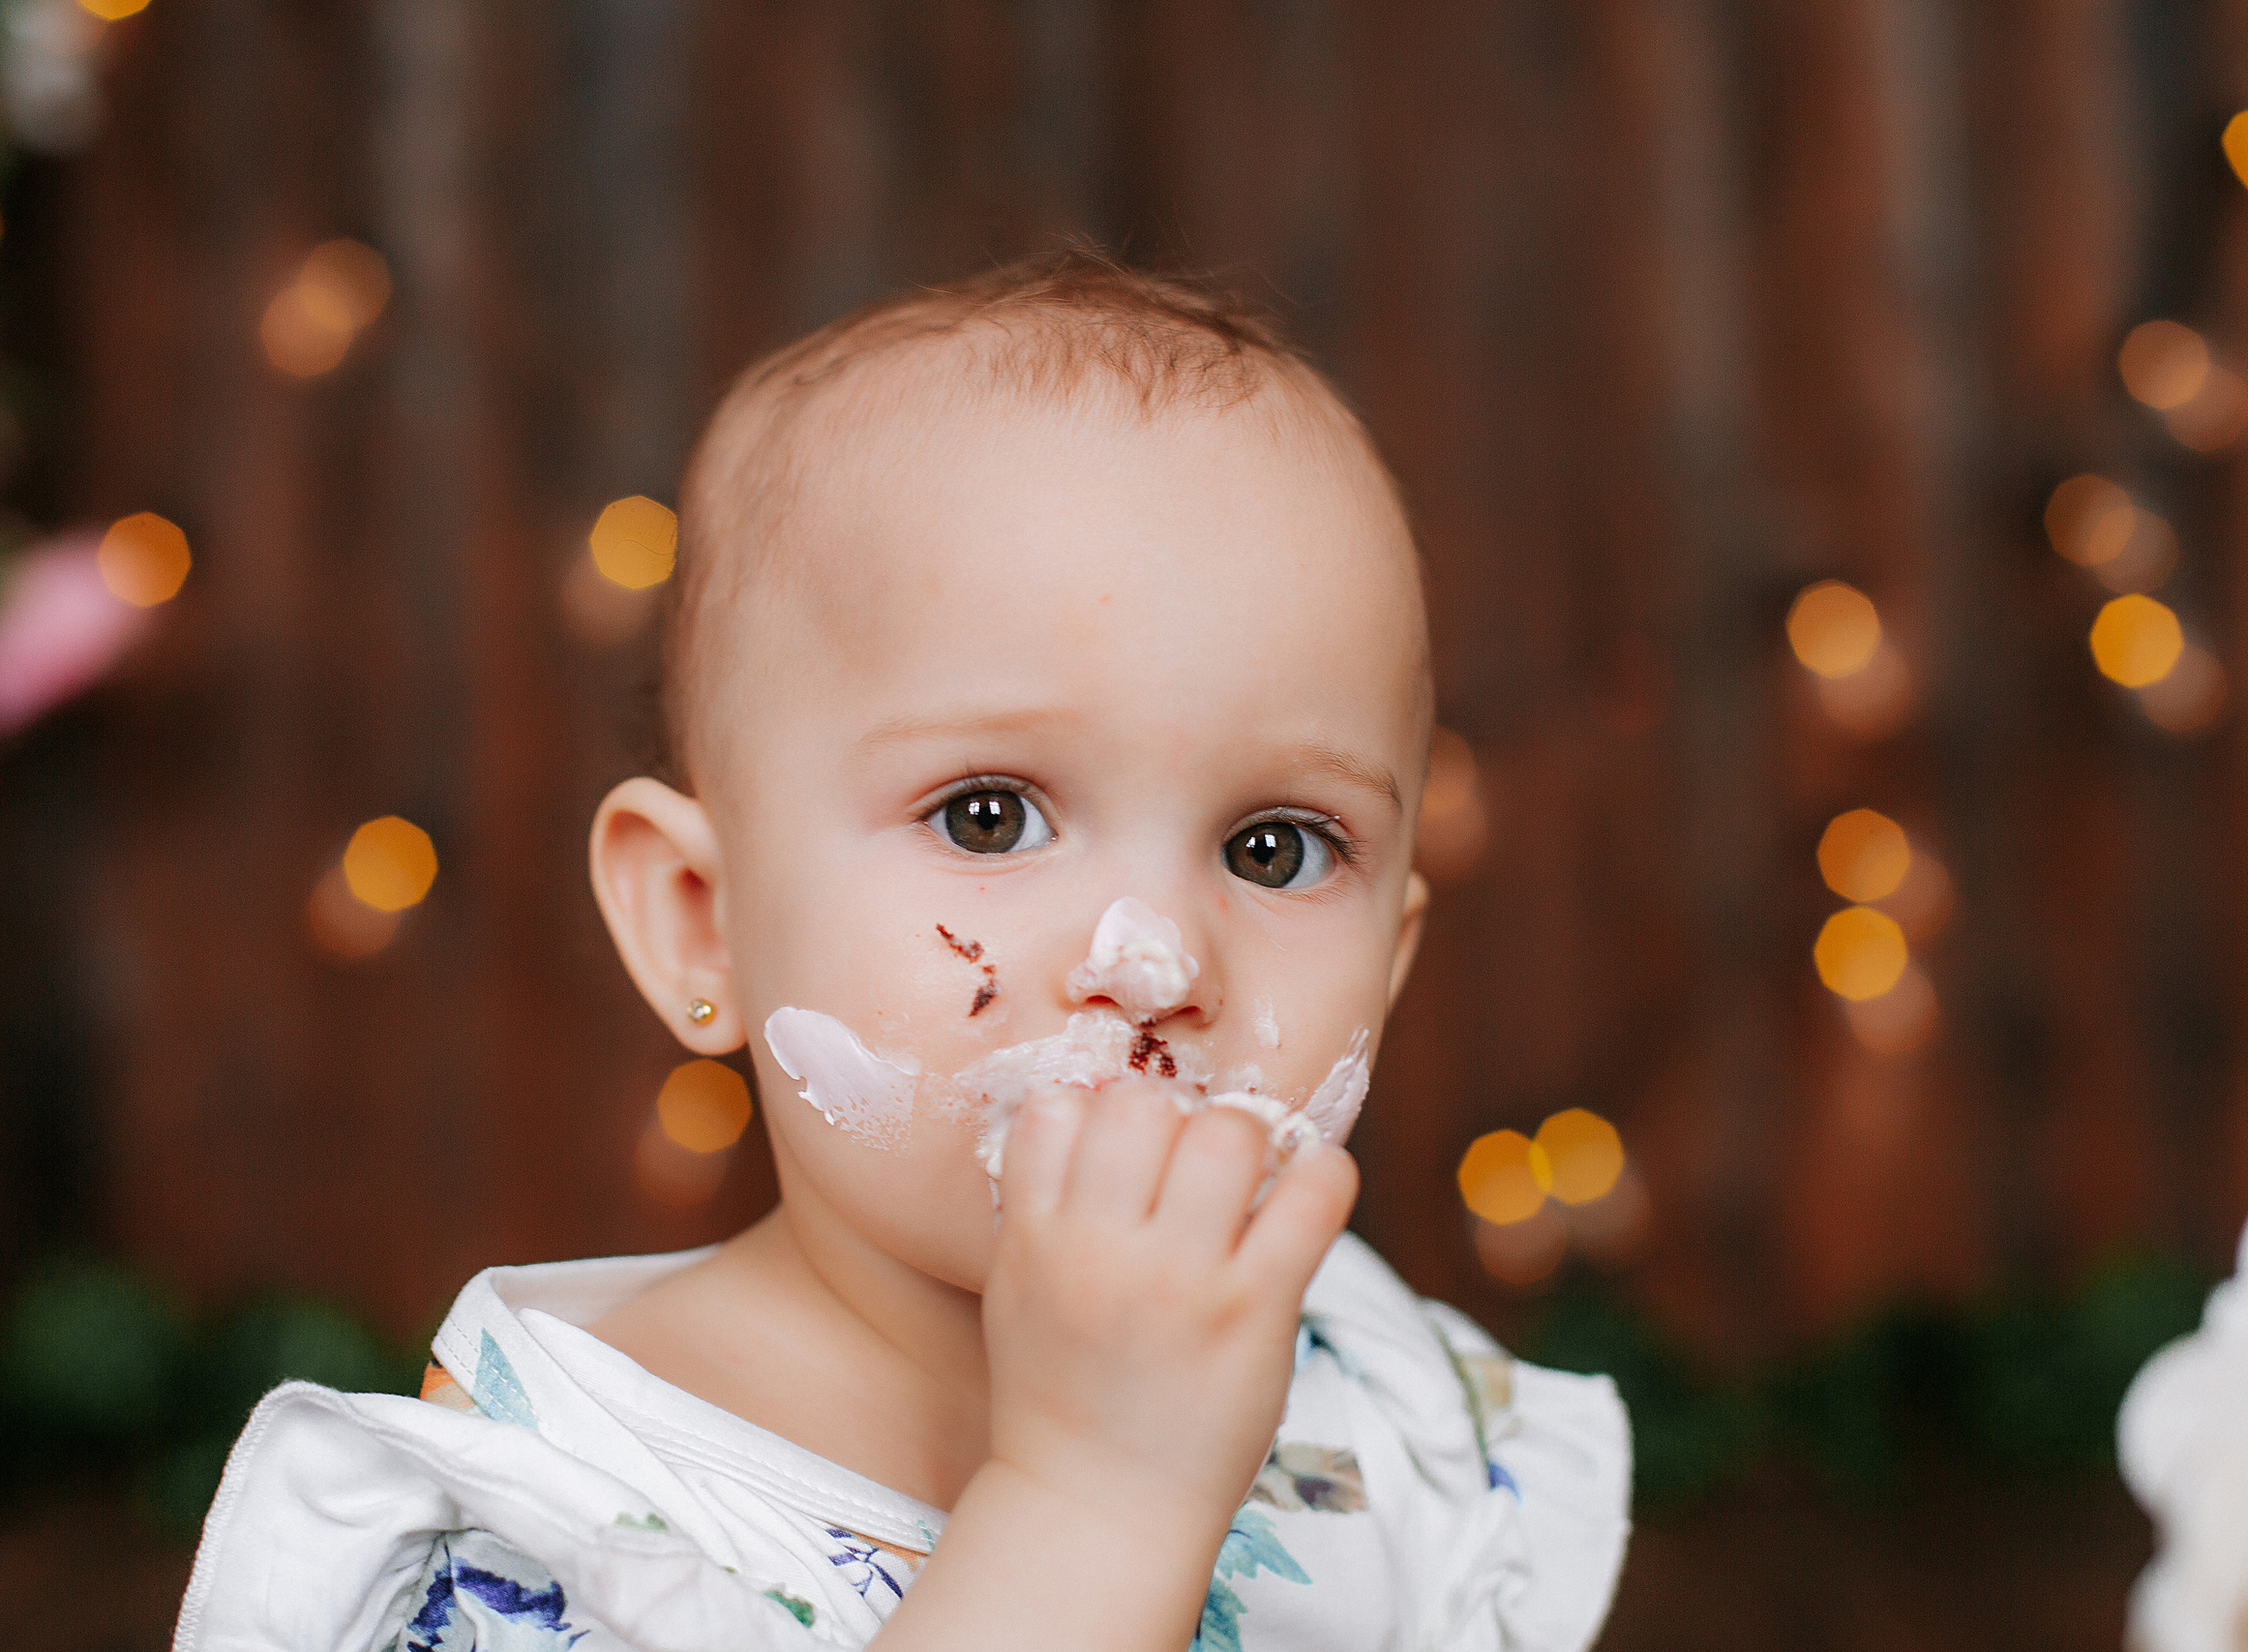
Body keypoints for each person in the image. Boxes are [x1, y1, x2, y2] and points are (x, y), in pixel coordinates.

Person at [174, 252, 1631, 1652]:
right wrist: (1096, 1504)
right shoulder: (568, 1513)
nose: (1154, 957)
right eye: (989, 817)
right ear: (703, 917)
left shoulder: (1370, 1401)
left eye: (1276, 848)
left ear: (1390, 965)